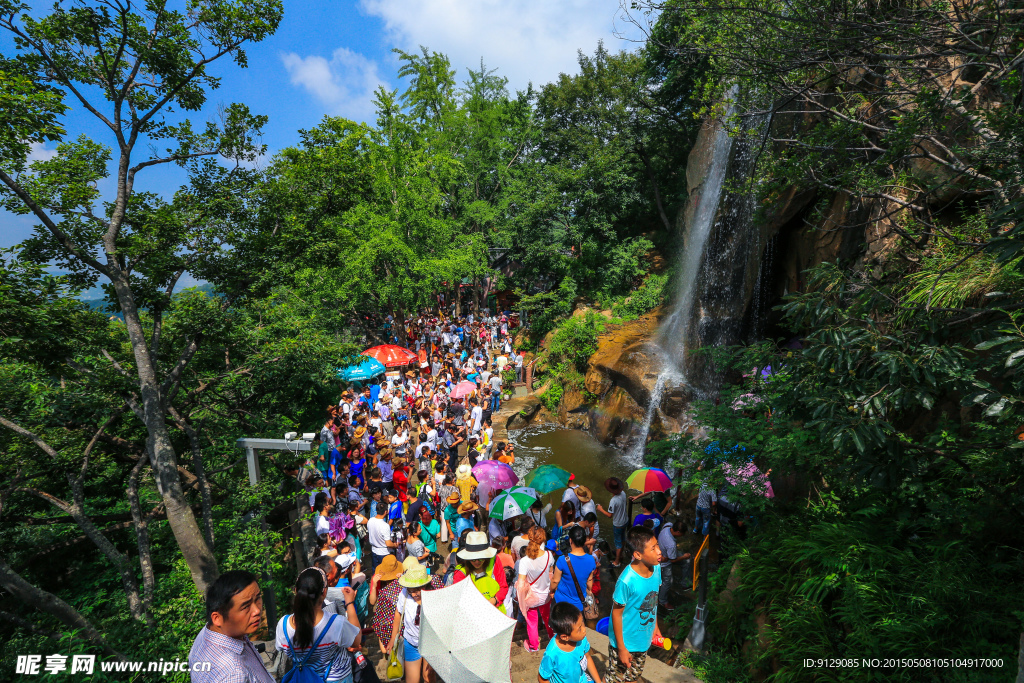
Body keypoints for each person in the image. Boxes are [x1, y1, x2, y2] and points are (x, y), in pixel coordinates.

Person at [276, 567, 361, 683]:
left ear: (296, 591)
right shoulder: (335, 623)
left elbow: (281, 647)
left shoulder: (283, 624)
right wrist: (350, 603)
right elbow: (356, 641)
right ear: (324, 592)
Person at [188, 570, 272, 683]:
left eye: (257, 598)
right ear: (217, 618)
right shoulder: (233, 673)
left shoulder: (208, 633)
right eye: (245, 607)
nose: (257, 610)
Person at [607, 526, 663, 683]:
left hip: (643, 640)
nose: (659, 551)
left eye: (657, 545)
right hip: (624, 642)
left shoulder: (657, 569)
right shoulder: (626, 581)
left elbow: (653, 600)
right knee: (615, 679)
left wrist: (655, 625)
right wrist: (622, 649)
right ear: (638, 554)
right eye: (653, 548)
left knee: (633, 676)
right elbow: (616, 614)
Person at [384, 564, 435, 683]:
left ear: (425, 585)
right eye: (411, 589)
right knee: (412, 680)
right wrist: (392, 638)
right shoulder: (404, 594)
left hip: (429, 643)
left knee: (428, 677)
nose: (414, 594)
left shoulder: (433, 597)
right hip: (411, 642)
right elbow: (398, 613)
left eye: (417, 589)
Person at [538, 602, 602, 683]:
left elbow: (588, 657)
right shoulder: (551, 654)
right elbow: (542, 678)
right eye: (579, 629)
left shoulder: (582, 639)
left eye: (582, 623)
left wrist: (598, 681)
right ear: (565, 637)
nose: (584, 630)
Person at [517, 526, 554, 652]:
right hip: (546, 596)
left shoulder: (524, 561)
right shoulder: (549, 556)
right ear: (543, 539)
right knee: (547, 618)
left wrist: (520, 600)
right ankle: (551, 638)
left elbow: (521, 584)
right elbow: (551, 575)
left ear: (529, 538)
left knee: (532, 622)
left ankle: (533, 646)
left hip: (531, 598)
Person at [453, 531, 509, 612]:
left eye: (481, 558)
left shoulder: (494, 561)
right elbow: (457, 596)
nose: (477, 562)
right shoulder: (460, 572)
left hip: (495, 611)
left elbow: (503, 586)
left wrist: (494, 600)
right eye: (473, 559)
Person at [549, 526, 597, 614]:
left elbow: (555, 581)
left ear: (570, 541)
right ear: (584, 542)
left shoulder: (562, 559)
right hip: (578, 605)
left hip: (561, 602)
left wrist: (551, 591)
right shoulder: (591, 560)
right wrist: (589, 590)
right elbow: (590, 581)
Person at [656, 521, 691, 610]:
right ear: (678, 532)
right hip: (665, 561)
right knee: (668, 582)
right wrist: (683, 556)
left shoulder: (668, 525)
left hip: (664, 551)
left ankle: (684, 584)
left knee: (687, 561)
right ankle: (662, 601)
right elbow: (672, 560)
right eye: (682, 534)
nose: (682, 536)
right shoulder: (671, 544)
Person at [596, 478, 628, 567]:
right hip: (625, 520)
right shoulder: (623, 493)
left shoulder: (613, 500)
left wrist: (600, 509)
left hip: (618, 524)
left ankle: (617, 562)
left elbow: (610, 515)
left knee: (618, 542)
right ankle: (621, 554)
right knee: (623, 538)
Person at [367, 501, 395, 575]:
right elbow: (388, 543)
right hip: (383, 553)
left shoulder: (370, 520)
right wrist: (395, 545)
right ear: (386, 512)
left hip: (374, 550)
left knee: (376, 573)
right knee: (385, 574)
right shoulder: (385, 526)